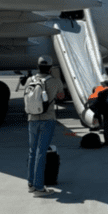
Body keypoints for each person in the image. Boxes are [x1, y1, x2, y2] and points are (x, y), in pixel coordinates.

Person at [26, 55, 65, 197]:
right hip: (47, 118)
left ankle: (31, 184)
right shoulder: (55, 81)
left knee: (32, 151)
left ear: (38, 67)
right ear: (50, 68)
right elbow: (61, 96)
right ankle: (39, 187)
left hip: (32, 118)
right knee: (41, 153)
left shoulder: (30, 80)